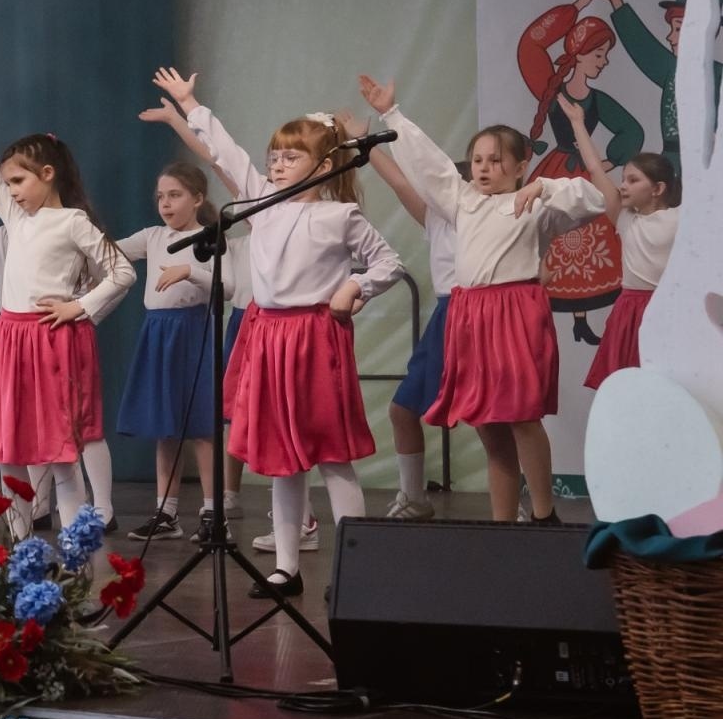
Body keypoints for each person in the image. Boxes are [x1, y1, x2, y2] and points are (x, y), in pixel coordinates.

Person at [160, 68, 403, 598]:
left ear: (324, 164)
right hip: (267, 339)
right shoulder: (259, 203)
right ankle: (285, 568)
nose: (276, 163)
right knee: (281, 460)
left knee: (331, 456)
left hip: (316, 340)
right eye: (275, 154)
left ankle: (356, 571)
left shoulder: (341, 216)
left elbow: (389, 262)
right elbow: (226, 154)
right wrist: (193, 104)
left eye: (291, 156)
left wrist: (355, 287)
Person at [363, 75, 606, 524]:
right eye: (478, 160)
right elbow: (429, 164)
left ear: (518, 166)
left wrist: (545, 187)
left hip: (515, 313)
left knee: (522, 416)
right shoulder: (462, 203)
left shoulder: (537, 206)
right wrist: (392, 114)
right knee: (490, 426)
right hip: (469, 316)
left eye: (496, 160)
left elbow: (594, 198)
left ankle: (543, 513)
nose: (484, 167)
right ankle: (502, 527)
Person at [0, 95, 136, 539]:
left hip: (51, 340)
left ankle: (76, 544)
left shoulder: (73, 222)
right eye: (9, 184)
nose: (10, 191)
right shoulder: (13, 214)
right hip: (10, 338)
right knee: (8, 444)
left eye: (19, 181)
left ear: (48, 175)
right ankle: (22, 544)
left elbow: (122, 271)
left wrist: (78, 306)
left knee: (61, 451)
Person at [336, 110, 465, 521]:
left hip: (478, 317)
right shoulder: (435, 219)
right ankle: (414, 497)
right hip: (446, 317)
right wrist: (363, 140)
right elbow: (397, 180)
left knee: (494, 417)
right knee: (402, 409)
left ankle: (516, 505)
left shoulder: (491, 220)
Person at [517, 0, 644, 344]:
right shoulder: (552, 90)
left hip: (584, 172)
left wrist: (608, 160)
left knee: (592, 241)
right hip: (555, 171)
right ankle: (546, 310)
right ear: (580, 54)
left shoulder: (598, 101)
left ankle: (581, 317)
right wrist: (574, 9)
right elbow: (531, 47)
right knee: (552, 240)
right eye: (599, 54)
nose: (603, 62)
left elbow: (632, 130)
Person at [113, 162, 220, 543]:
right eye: (161, 196)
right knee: (165, 427)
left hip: (194, 332)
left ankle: (212, 512)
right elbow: (107, 250)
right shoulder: (153, 236)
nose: (166, 203)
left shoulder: (210, 238)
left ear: (197, 198)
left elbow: (229, 287)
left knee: (203, 427)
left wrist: (188, 272)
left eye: (175, 195)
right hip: (158, 333)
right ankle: (166, 512)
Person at [556, 96, 681, 389]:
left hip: (668, 309)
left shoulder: (680, 219)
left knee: (666, 388)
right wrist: (577, 123)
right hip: (629, 311)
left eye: (633, 180)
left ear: (658, 188)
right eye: (624, 178)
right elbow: (596, 169)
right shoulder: (624, 217)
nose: (623, 185)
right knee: (627, 391)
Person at [594, 0, 723, 180]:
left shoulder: (718, 75)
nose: (670, 37)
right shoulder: (673, 70)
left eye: (678, 29)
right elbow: (644, 48)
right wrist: (617, 2)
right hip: (671, 169)